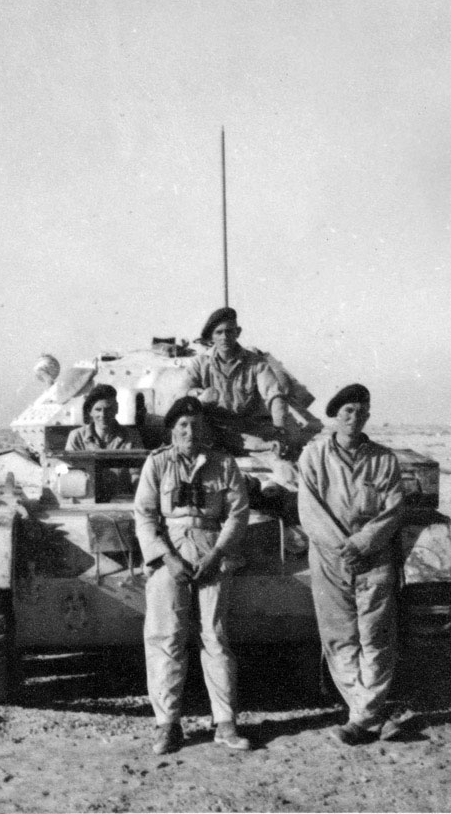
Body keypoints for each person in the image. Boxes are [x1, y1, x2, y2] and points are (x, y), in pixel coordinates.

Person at [134, 396, 251, 755]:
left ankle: (226, 722)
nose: (190, 430)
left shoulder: (223, 464)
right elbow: (144, 515)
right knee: (165, 636)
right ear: (172, 429)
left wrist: (217, 554)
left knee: (214, 636)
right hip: (169, 551)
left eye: (196, 424)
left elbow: (238, 512)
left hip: (212, 549)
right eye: (183, 425)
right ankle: (167, 724)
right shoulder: (157, 463)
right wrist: (166, 557)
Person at [297, 383, 406, 745]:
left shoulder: (384, 459)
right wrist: (342, 546)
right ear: (335, 415)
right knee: (340, 637)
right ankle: (373, 714)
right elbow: (309, 510)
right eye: (347, 412)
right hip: (331, 557)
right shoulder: (313, 456)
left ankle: (362, 719)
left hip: (374, 556)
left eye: (361, 412)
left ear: (368, 416)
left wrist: (362, 542)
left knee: (376, 637)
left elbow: (393, 510)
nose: (353, 418)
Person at [181, 307, 299, 496]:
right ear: (211, 337)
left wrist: (279, 430)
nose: (224, 337)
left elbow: (274, 395)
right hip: (211, 435)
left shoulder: (255, 364)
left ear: (238, 332)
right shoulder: (200, 364)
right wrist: (200, 397)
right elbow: (182, 396)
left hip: (248, 436)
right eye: (219, 332)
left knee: (285, 469)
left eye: (229, 331)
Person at [65, 384, 143, 499]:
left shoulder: (131, 436)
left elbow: (137, 474)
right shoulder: (76, 437)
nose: (103, 415)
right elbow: (69, 472)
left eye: (108, 409)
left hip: (122, 500)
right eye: (98, 409)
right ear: (90, 412)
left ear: (116, 409)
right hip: (86, 500)